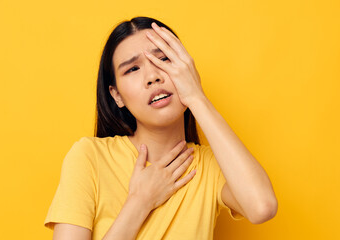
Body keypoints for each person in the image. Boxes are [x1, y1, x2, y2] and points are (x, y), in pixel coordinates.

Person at [44, 16, 278, 240]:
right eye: (132, 69)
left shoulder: (208, 166)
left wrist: (197, 97)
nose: (153, 76)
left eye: (164, 59)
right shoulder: (90, 157)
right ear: (116, 96)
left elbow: (262, 207)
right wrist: (140, 201)